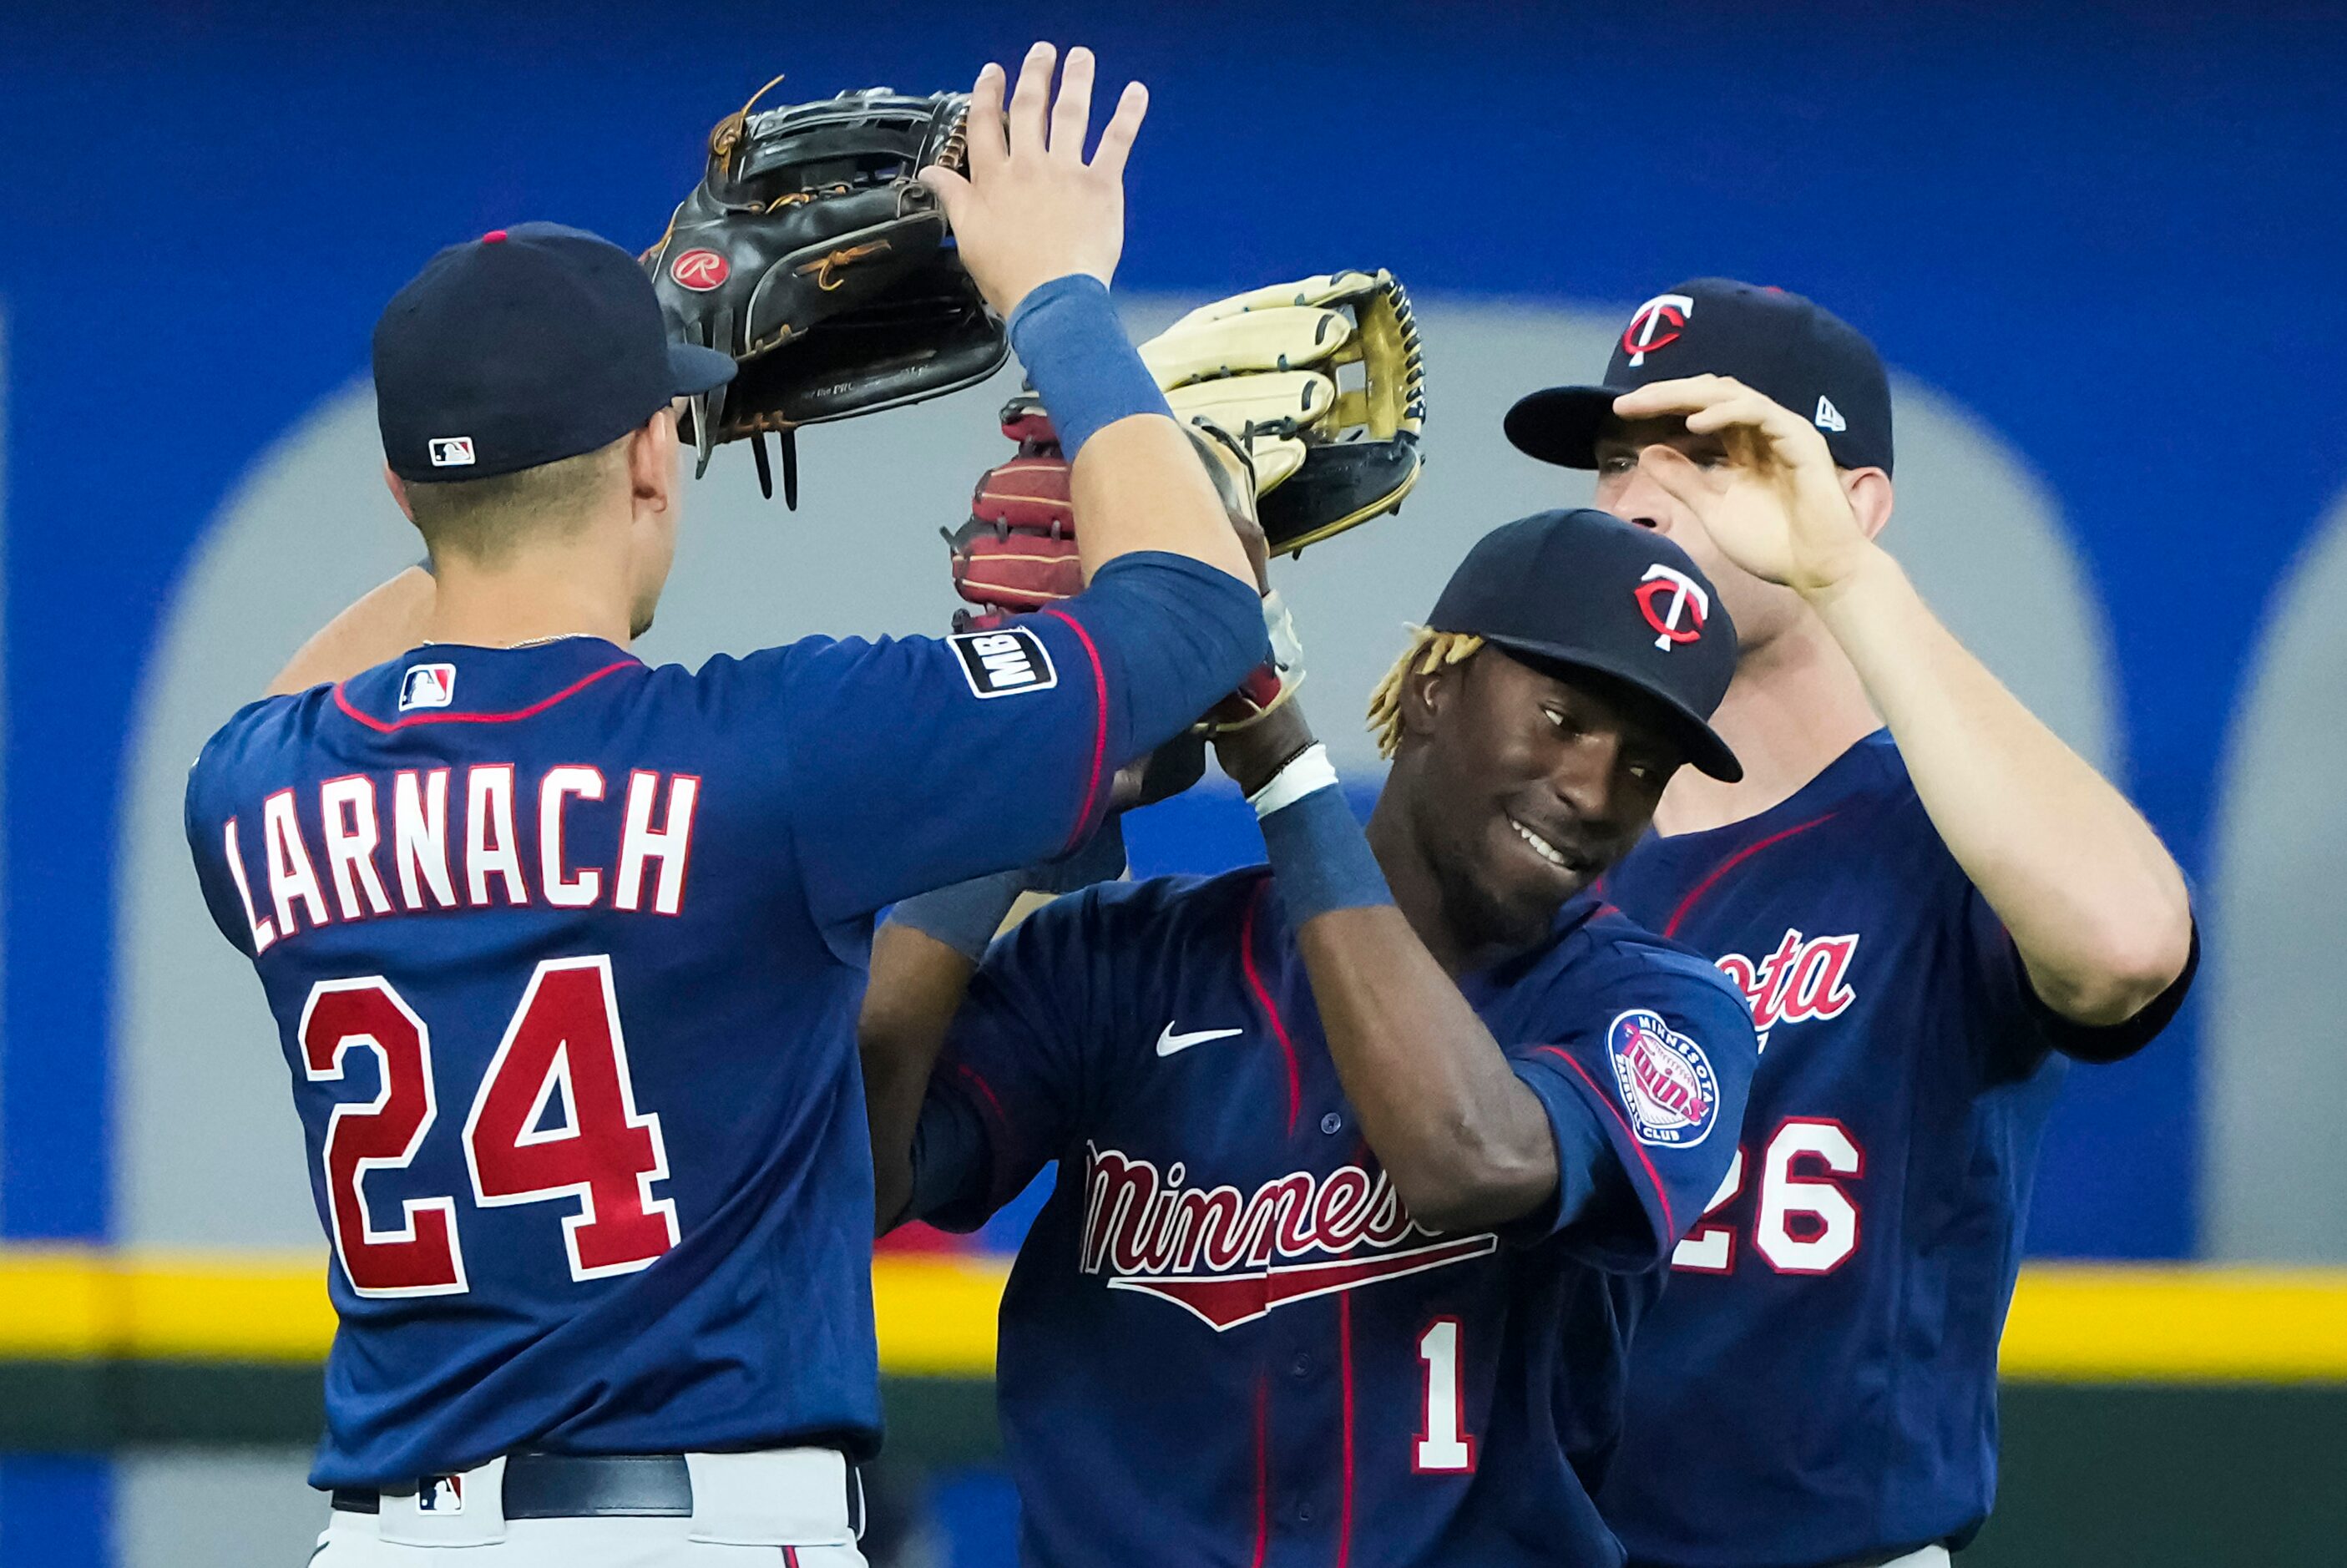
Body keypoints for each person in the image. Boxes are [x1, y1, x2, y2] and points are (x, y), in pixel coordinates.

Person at [183, 43, 1272, 1565]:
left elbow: (331, 672)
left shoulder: (254, 794)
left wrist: (560, 415)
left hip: (389, 1538)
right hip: (687, 1529)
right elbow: (1193, 619)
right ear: (650, 451)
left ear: (400, 498)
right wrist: (1060, 297)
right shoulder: (770, 751)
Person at [862, 508, 1764, 1567]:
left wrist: (1281, 759)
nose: (1594, 792)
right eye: (1563, 720)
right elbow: (861, 1174)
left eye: (1646, 766)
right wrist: (1006, 797)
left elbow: (1464, 1158)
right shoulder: (1123, 961)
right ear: (1434, 684)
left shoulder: (1655, 1013)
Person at [1502, 279, 2198, 1568]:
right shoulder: (1536, 843)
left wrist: (1840, 574)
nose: (1639, 498)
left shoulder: (1942, 825)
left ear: (1855, 500)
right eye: (1613, 461)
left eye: (1709, 455)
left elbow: (2123, 949)